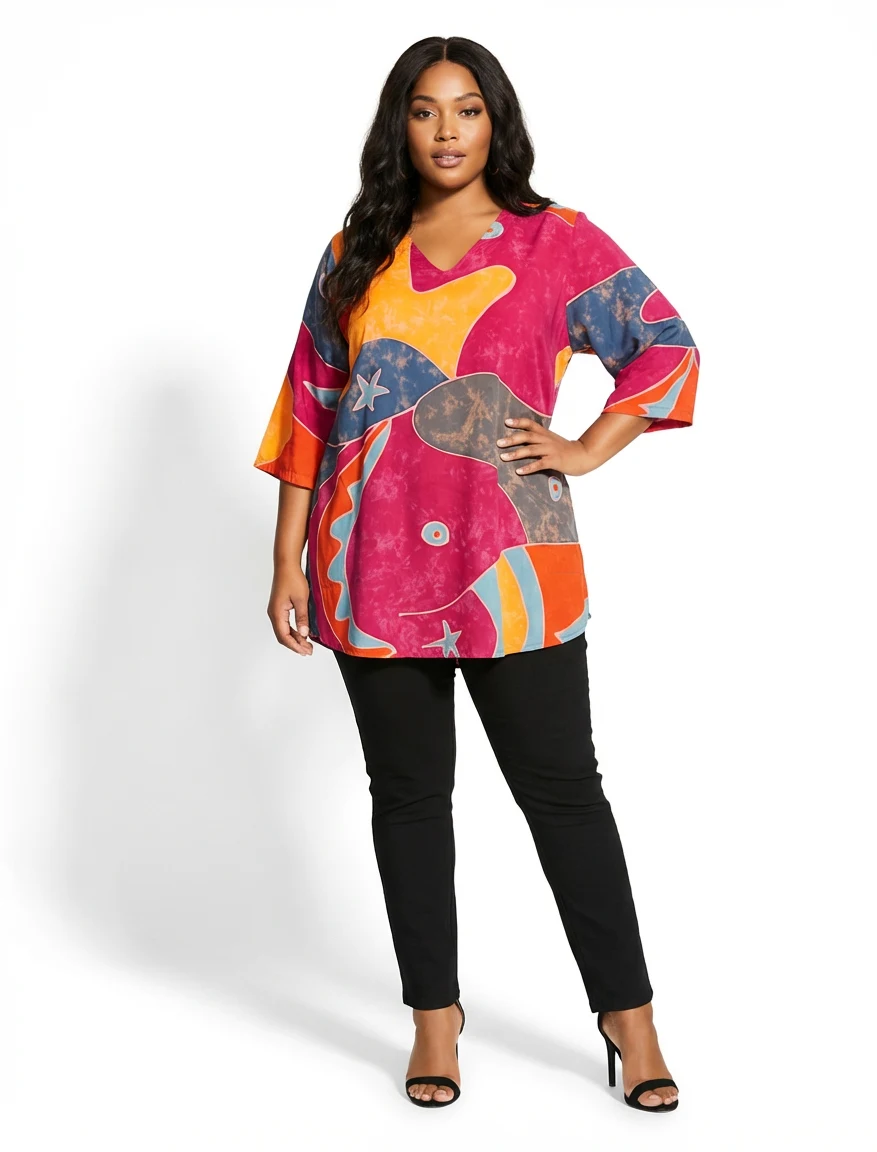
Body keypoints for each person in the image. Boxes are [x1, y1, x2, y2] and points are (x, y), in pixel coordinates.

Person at [254, 35, 699, 1111]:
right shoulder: (357, 248)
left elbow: (665, 344)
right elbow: (310, 402)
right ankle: (434, 1022)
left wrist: (586, 448)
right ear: (398, 125)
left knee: (565, 797)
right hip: (366, 563)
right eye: (424, 110)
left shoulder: (556, 241)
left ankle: (630, 1023)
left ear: (496, 121)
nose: (446, 130)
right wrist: (286, 558)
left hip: (515, 566)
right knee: (409, 799)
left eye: (466, 109)